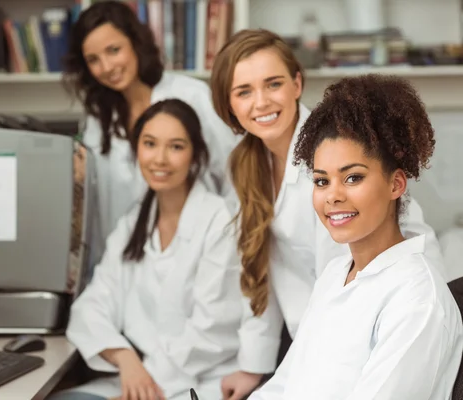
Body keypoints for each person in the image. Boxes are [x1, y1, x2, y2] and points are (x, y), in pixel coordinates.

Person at [208, 29, 445, 400]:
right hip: (322, 329)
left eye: (273, 84)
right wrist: (254, 366)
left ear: (297, 83)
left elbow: (350, 257)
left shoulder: (330, 151)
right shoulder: (247, 163)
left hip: (376, 310)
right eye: (243, 91)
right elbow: (263, 266)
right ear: (228, 104)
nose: (261, 102)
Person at [248, 73, 463, 399]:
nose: (332, 196)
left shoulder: (417, 300)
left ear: (396, 184)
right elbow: (285, 385)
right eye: (321, 181)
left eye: (352, 178)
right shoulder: (335, 275)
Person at [48, 99, 243, 400]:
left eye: (176, 147)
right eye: (149, 144)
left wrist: (145, 383)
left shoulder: (219, 221)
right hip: (139, 377)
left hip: (198, 383)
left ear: (195, 155)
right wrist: (125, 358)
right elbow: (92, 306)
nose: (160, 159)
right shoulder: (133, 224)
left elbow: (212, 331)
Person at [65, 1, 238, 260]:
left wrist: (231, 241)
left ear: (135, 42)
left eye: (114, 50)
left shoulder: (191, 95)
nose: (107, 67)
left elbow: (234, 171)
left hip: (197, 250)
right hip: (122, 255)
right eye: (93, 60)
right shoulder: (98, 116)